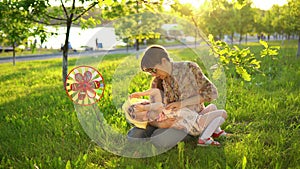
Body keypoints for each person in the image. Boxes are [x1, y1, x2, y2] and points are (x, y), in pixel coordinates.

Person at [127, 45, 228, 148]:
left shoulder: (189, 68)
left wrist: (182, 104)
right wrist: (160, 124)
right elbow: (153, 111)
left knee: (160, 140)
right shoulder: (158, 80)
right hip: (166, 120)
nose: (153, 75)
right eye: (150, 72)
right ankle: (158, 132)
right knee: (134, 135)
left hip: (190, 121)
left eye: (153, 70)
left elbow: (212, 92)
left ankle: (198, 134)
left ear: (164, 61)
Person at [125, 88, 227, 146]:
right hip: (193, 123)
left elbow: (156, 91)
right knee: (222, 114)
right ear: (142, 118)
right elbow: (159, 106)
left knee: (213, 107)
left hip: (192, 116)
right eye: (136, 110)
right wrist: (146, 107)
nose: (138, 106)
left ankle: (217, 132)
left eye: (135, 105)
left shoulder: (152, 109)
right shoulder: (152, 115)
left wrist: (141, 94)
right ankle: (204, 139)